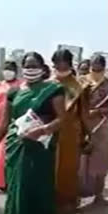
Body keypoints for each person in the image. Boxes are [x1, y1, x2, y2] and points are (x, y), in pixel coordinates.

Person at [0, 52, 66, 214]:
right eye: (27, 66)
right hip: (16, 147)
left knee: (38, 187)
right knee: (17, 187)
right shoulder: (14, 92)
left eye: (34, 66)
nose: (30, 69)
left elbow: (62, 119)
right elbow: (4, 123)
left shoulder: (53, 89)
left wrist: (42, 130)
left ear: (42, 68)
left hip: (40, 148)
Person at [51, 49, 90, 214]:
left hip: (71, 134)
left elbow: (84, 113)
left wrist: (88, 136)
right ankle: (52, 202)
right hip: (51, 132)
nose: (60, 65)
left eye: (63, 62)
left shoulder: (79, 86)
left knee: (68, 170)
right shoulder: (49, 84)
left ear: (69, 63)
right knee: (51, 170)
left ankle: (68, 203)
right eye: (57, 62)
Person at [0, 61, 23, 191]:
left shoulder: (20, 85)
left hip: (12, 121)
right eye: (6, 69)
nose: (8, 71)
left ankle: (5, 181)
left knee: (4, 152)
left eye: (11, 69)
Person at [79, 55, 108, 205]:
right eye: (93, 69)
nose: (96, 72)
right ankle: (76, 195)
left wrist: (98, 111)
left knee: (101, 163)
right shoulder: (82, 82)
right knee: (80, 162)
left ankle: (98, 195)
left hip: (102, 127)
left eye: (99, 69)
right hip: (81, 126)